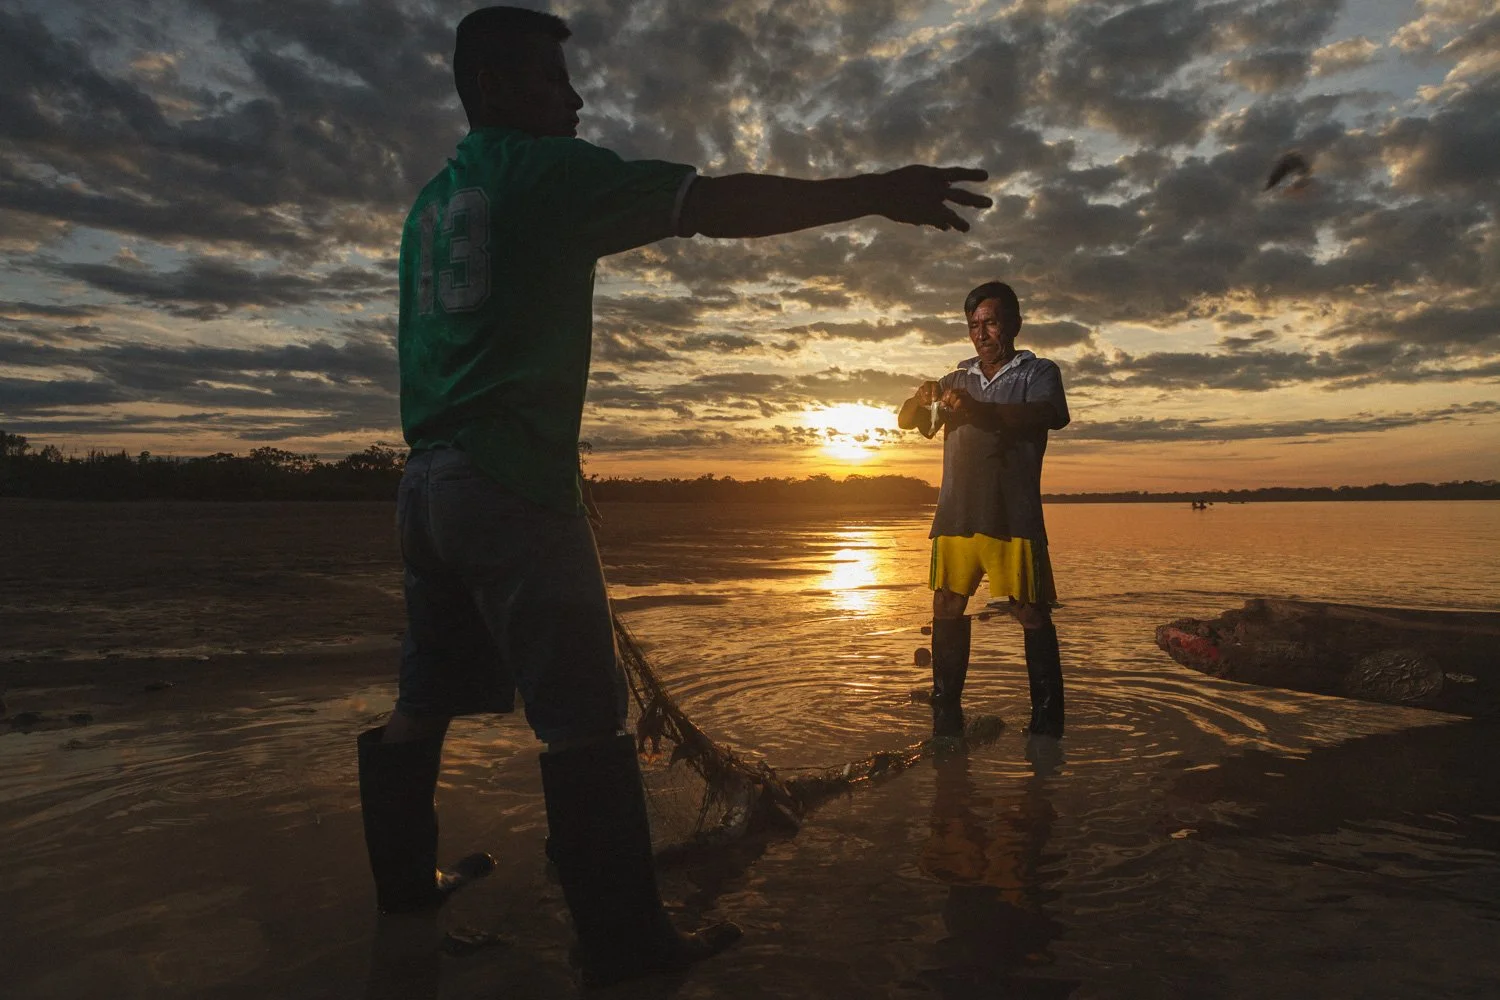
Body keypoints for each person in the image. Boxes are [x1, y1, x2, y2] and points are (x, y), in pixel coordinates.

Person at [356, 5, 992, 989]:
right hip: (513, 486)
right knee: (585, 720)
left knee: (422, 699)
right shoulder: (547, 174)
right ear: (494, 89)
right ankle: (624, 945)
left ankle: (404, 892)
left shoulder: (434, 204)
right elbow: (714, 204)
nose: (573, 99)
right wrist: (876, 191)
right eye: (548, 82)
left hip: (427, 485)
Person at [896, 281, 1070, 738]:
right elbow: (912, 424)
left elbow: (1050, 414)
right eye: (974, 325)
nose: (982, 333)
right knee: (947, 606)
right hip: (956, 514)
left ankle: (1047, 726)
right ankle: (945, 714)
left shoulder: (1038, 371)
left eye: (991, 322)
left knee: (1030, 612)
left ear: (1013, 323)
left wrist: (980, 410)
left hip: (1014, 515)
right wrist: (918, 400)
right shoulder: (954, 380)